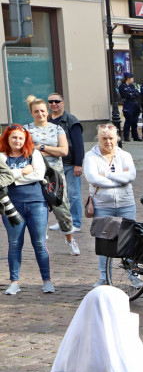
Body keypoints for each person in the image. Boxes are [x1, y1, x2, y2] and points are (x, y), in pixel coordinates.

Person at [1, 124, 53, 295]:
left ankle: (47, 280)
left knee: (39, 243)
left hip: (36, 202)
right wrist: (23, 172)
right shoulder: (2, 156)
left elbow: (38, 175)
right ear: (7, 138)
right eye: (14, 137)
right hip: (11, 205)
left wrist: (11, 176)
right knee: (14, 243)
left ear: (26, 140)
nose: (17, 141)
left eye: (20, 138)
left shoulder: (33, 153)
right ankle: (14, 282)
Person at [84, 123, 136, 287]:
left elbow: (131, 175)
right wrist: (119, 180)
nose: (108, 141)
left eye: (111, 138)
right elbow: (93, 178)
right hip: (102, 203)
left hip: (126, 203)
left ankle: (133, 275)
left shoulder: (125, 155)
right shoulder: (90, 156)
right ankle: (104, 277)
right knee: (104, 241)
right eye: (104, 138)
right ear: (98, 138)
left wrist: (106, 174)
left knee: (128, 239)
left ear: (117, 138)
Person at [26, 96, 77, 255]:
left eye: (42, 111)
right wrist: (47, 150)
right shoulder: (26, 129)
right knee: (38, 209)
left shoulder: (57, 129)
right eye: (36, 112)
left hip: (55, 175)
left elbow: (63, 151)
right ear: (32, 113)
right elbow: (25, 151)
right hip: (35, 173)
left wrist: (40, 147)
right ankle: (42, 244)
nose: (40, 114)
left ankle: (70, 239)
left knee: (62, 209)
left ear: (47, 112)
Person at [47, 93, 85, 232]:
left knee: (73, 194)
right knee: (59, 194)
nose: (54, 104)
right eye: (51, 102)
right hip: (54, 164)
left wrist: (78, 164)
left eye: (57, 101)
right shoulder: (48, 120)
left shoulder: (71, 120)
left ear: (63, 103)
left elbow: (78, 144)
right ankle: (63, 221)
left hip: (69, 163)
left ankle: (75, 222)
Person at [117, 73, 142, 142]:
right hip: (128, 105)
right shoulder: (122, 86)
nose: (133, 80)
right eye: (132, 78)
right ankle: (126, 136)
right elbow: (128, 95)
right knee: (128, 121)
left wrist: (132, 94)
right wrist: (132, 94)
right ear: (128, 78)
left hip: (135, 104)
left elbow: (137, 93)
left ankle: (135, 136)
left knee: (135, 121)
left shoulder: (132, 86)